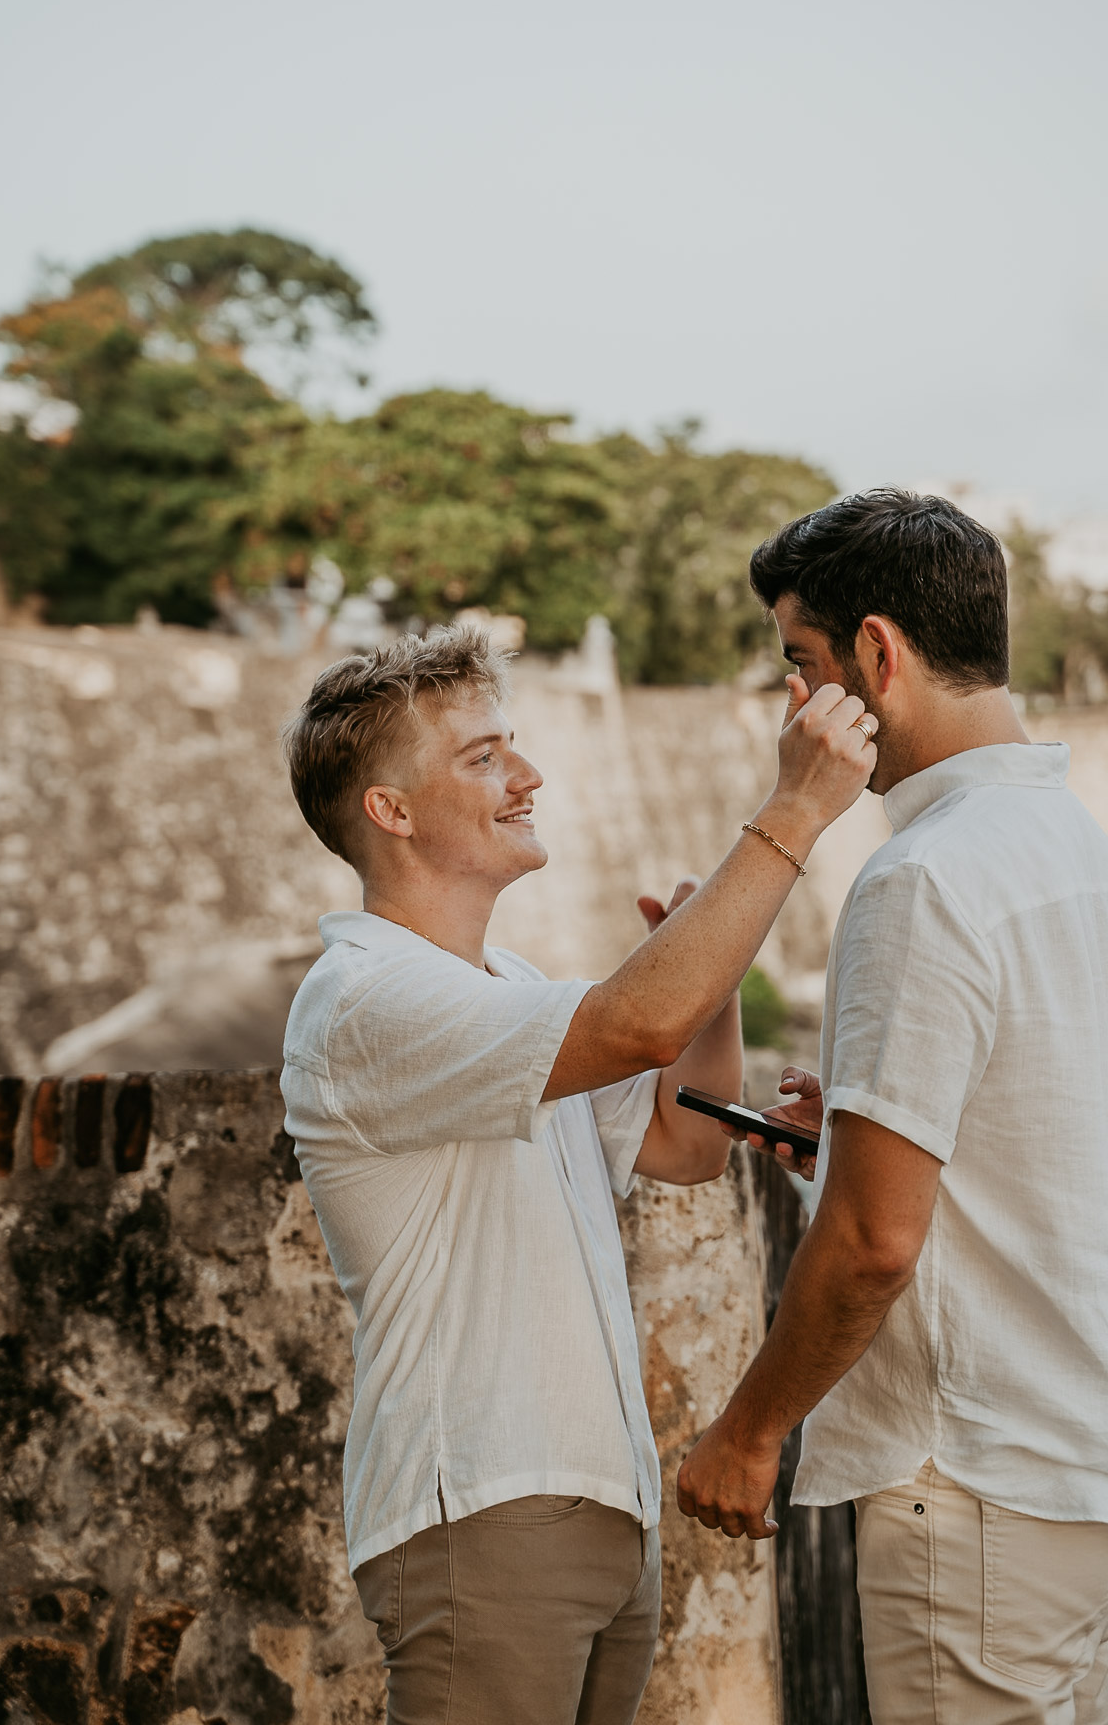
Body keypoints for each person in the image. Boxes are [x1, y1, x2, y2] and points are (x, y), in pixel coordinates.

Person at [278, 625, 876, 1725]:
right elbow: (637, 1024)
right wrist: (790, 814)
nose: (528, 775)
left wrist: (716, 973)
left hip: (601, 1508)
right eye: (482, 757)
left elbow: (684, 1147)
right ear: (390, 812)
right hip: (487, 1509)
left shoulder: (506, 988)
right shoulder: (366, 997)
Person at [676, 489, 1108, 1725]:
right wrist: (854, 1132)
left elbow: (876, 1243)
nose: (793, 703)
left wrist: (749, 1429)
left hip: (974, 1489)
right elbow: (1054, 1134)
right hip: (1077, 1464)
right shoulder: (1073, 848)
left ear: (877, 657)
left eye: (801, 663)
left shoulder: (921, 878)